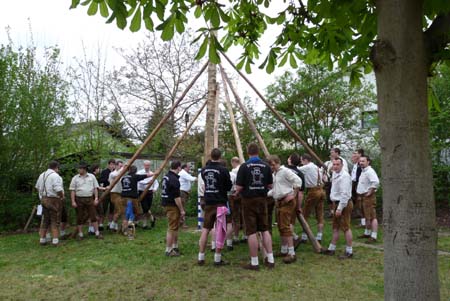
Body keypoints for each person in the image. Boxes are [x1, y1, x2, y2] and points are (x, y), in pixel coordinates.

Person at [234, 143, 274, 270]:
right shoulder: (266, 166)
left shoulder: (244, 167)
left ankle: (254, 262)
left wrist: (236, 191)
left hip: (248, 201)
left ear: (248, 152)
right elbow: (270, 186)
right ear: (258, 152)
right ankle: (271, 259)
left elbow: (239, 187)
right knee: (265, 229)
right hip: (263, 200)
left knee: (251, 231)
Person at [198, 149, 233, 266]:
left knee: (205, 229)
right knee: (219, 230)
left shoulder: (204, 170)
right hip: (220, 203)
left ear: (210, 156)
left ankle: (201, 257)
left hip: (208, 202)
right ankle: (217, 258)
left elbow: (205, 182)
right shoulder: (223, 170)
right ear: (220, 156)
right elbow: (228, 186)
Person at [267, 155, 303, 264]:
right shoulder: (275, 174)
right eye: (270, 165)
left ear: (277, 163)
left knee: (285, 226)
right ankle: (284, 250)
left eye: (272, 164)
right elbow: (276, 189)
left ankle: (291, 253)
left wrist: (293, 194)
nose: (271, 167)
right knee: (281, 226)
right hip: (279, 202)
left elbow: (298, 181)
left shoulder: (285, 171)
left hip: (287, 202)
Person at [322, 158, 354, 259]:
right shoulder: (335, 173)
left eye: (337, 165)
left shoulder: (345, 176)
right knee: (335, 227)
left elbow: (345, 194)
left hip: (344, 204)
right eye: (334, 164)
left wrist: (339, 208)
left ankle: (349, 251)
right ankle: (332, 248)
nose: (335, 166)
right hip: (336, 203)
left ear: (341, 165)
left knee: (345, 227)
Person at [69, 161, 103, 240]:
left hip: (89, 198)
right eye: (78, 168)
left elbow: (95, 188)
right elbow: (72, 190)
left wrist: (96, 198)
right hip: (79, 199)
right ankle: (80, 235)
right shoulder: (75, 178)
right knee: (79, 217)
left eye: (80, 168)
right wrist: (73, 201)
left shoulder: (91, 177)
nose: (78, 170)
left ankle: (97, 233)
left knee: (93, 216)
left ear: (84, 169)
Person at [35, 161, 64, 246]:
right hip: (53, 200)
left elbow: (37, 187)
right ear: (56, 167)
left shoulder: (41, 175)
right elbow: (58, 189)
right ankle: (55, 241)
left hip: (43, 200)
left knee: (45, 220)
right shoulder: (55, 176)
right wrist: (61, 196)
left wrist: (42, 197)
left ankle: (42, 240)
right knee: (54, 219)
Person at [299, 153, 326, 243]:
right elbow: (325, 179)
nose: (301, 163)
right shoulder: (316, 167)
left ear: (305, 160)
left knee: (305, 213)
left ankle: (304, 236)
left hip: (313, 191)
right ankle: (319, 236)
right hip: (321, 190)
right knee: (320, 214)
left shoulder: (307, 167)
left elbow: (296, 170)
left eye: (302, 161)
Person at [120, 165, 152, 237]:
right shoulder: (135, 176)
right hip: (131, 199)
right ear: (135, 171)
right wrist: (155, 173)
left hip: (123, 198)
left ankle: (124, 229)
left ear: (129, 171)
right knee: (131, 214)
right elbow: (147, 175)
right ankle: (127, 231)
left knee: (126, 214)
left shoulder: (123, 178)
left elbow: (130, 184)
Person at [161, 160, 184, 257]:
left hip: (165, 203)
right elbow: (177, 197)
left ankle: (175, 246)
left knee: (175, 227)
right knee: (171, 228)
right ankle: (168, 250)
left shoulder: (166, 177)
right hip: (172, 205)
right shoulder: (174, 179)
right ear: (178, 167)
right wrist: (182, 210)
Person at [356, 155, 380, 243]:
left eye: (363, 161)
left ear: (368, 162)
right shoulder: (363, 171)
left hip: (368, 197)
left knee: (372, 216)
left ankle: (374, 236)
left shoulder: (370, 171)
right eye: (360, 161)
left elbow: (376, 182)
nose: (361, 163)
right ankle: (367, 233)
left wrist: (370, 192)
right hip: (362, 196)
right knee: (366, 216)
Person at [285, 153, 306, 248]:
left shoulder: (283, 170)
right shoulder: (300, 174)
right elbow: (300, 193)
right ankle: (292, 239)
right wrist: (299, 206)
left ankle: (290, 241)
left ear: (290, 160)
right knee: (291, 221)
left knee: (284, 222)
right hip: (293, 199)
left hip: (282, 198)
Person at [137, 161, 158, 229]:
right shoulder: (140, 172)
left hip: (149, 192)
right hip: (142, 192)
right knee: (145, 208)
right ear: (144, 165)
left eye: (148, 165)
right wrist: (146, 183)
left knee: (147, 208)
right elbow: (138, 181)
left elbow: (156, 182)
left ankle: (147, 222)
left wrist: (155, 188)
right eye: (146, 165)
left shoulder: (152, 173)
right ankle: (147, 221)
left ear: (150, 166)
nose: (147, 167)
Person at [178, 163, 197, 228]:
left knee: (182, 207)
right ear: (185, 167)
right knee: (182, 208)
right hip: (182, 192)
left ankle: (180, 222)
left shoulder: (184, 173)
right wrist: (200, 177)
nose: (189, 169)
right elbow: (192, 179)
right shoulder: (183, 173)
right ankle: (182, 223)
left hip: (184, 192)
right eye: (189, 167)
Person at [99, 159, 116, 230]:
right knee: (104, 208)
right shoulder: (104, 172)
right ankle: (101, 224)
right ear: (108, 165)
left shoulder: (116, 172)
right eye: (111, 164)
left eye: (113, 164)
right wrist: (108, 179)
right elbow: (101, 180)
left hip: (114, 192)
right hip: (106, 192)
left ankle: (109, 224)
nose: (112, 166)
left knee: (112, 209)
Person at [108, 160, 123, 232]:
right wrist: (123, 169)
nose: (121, 168)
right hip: (114, 193)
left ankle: (115, 225)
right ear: (116, 166)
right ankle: (112, 224)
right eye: (120, 166)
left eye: (122, 166)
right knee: (120, 210)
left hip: (120, 193)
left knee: (117, 210)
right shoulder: (112, 174)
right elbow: (117, 176)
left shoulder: (121, 173)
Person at [350, 149, 364, 224]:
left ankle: (363, 221)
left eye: (355, 153)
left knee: (360, 201)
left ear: (360, 154)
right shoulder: (355, 164)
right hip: (354, 183)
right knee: (354, 200)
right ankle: (356, 215)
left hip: (359, 184)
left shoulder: (361, 164)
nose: (353, 155)